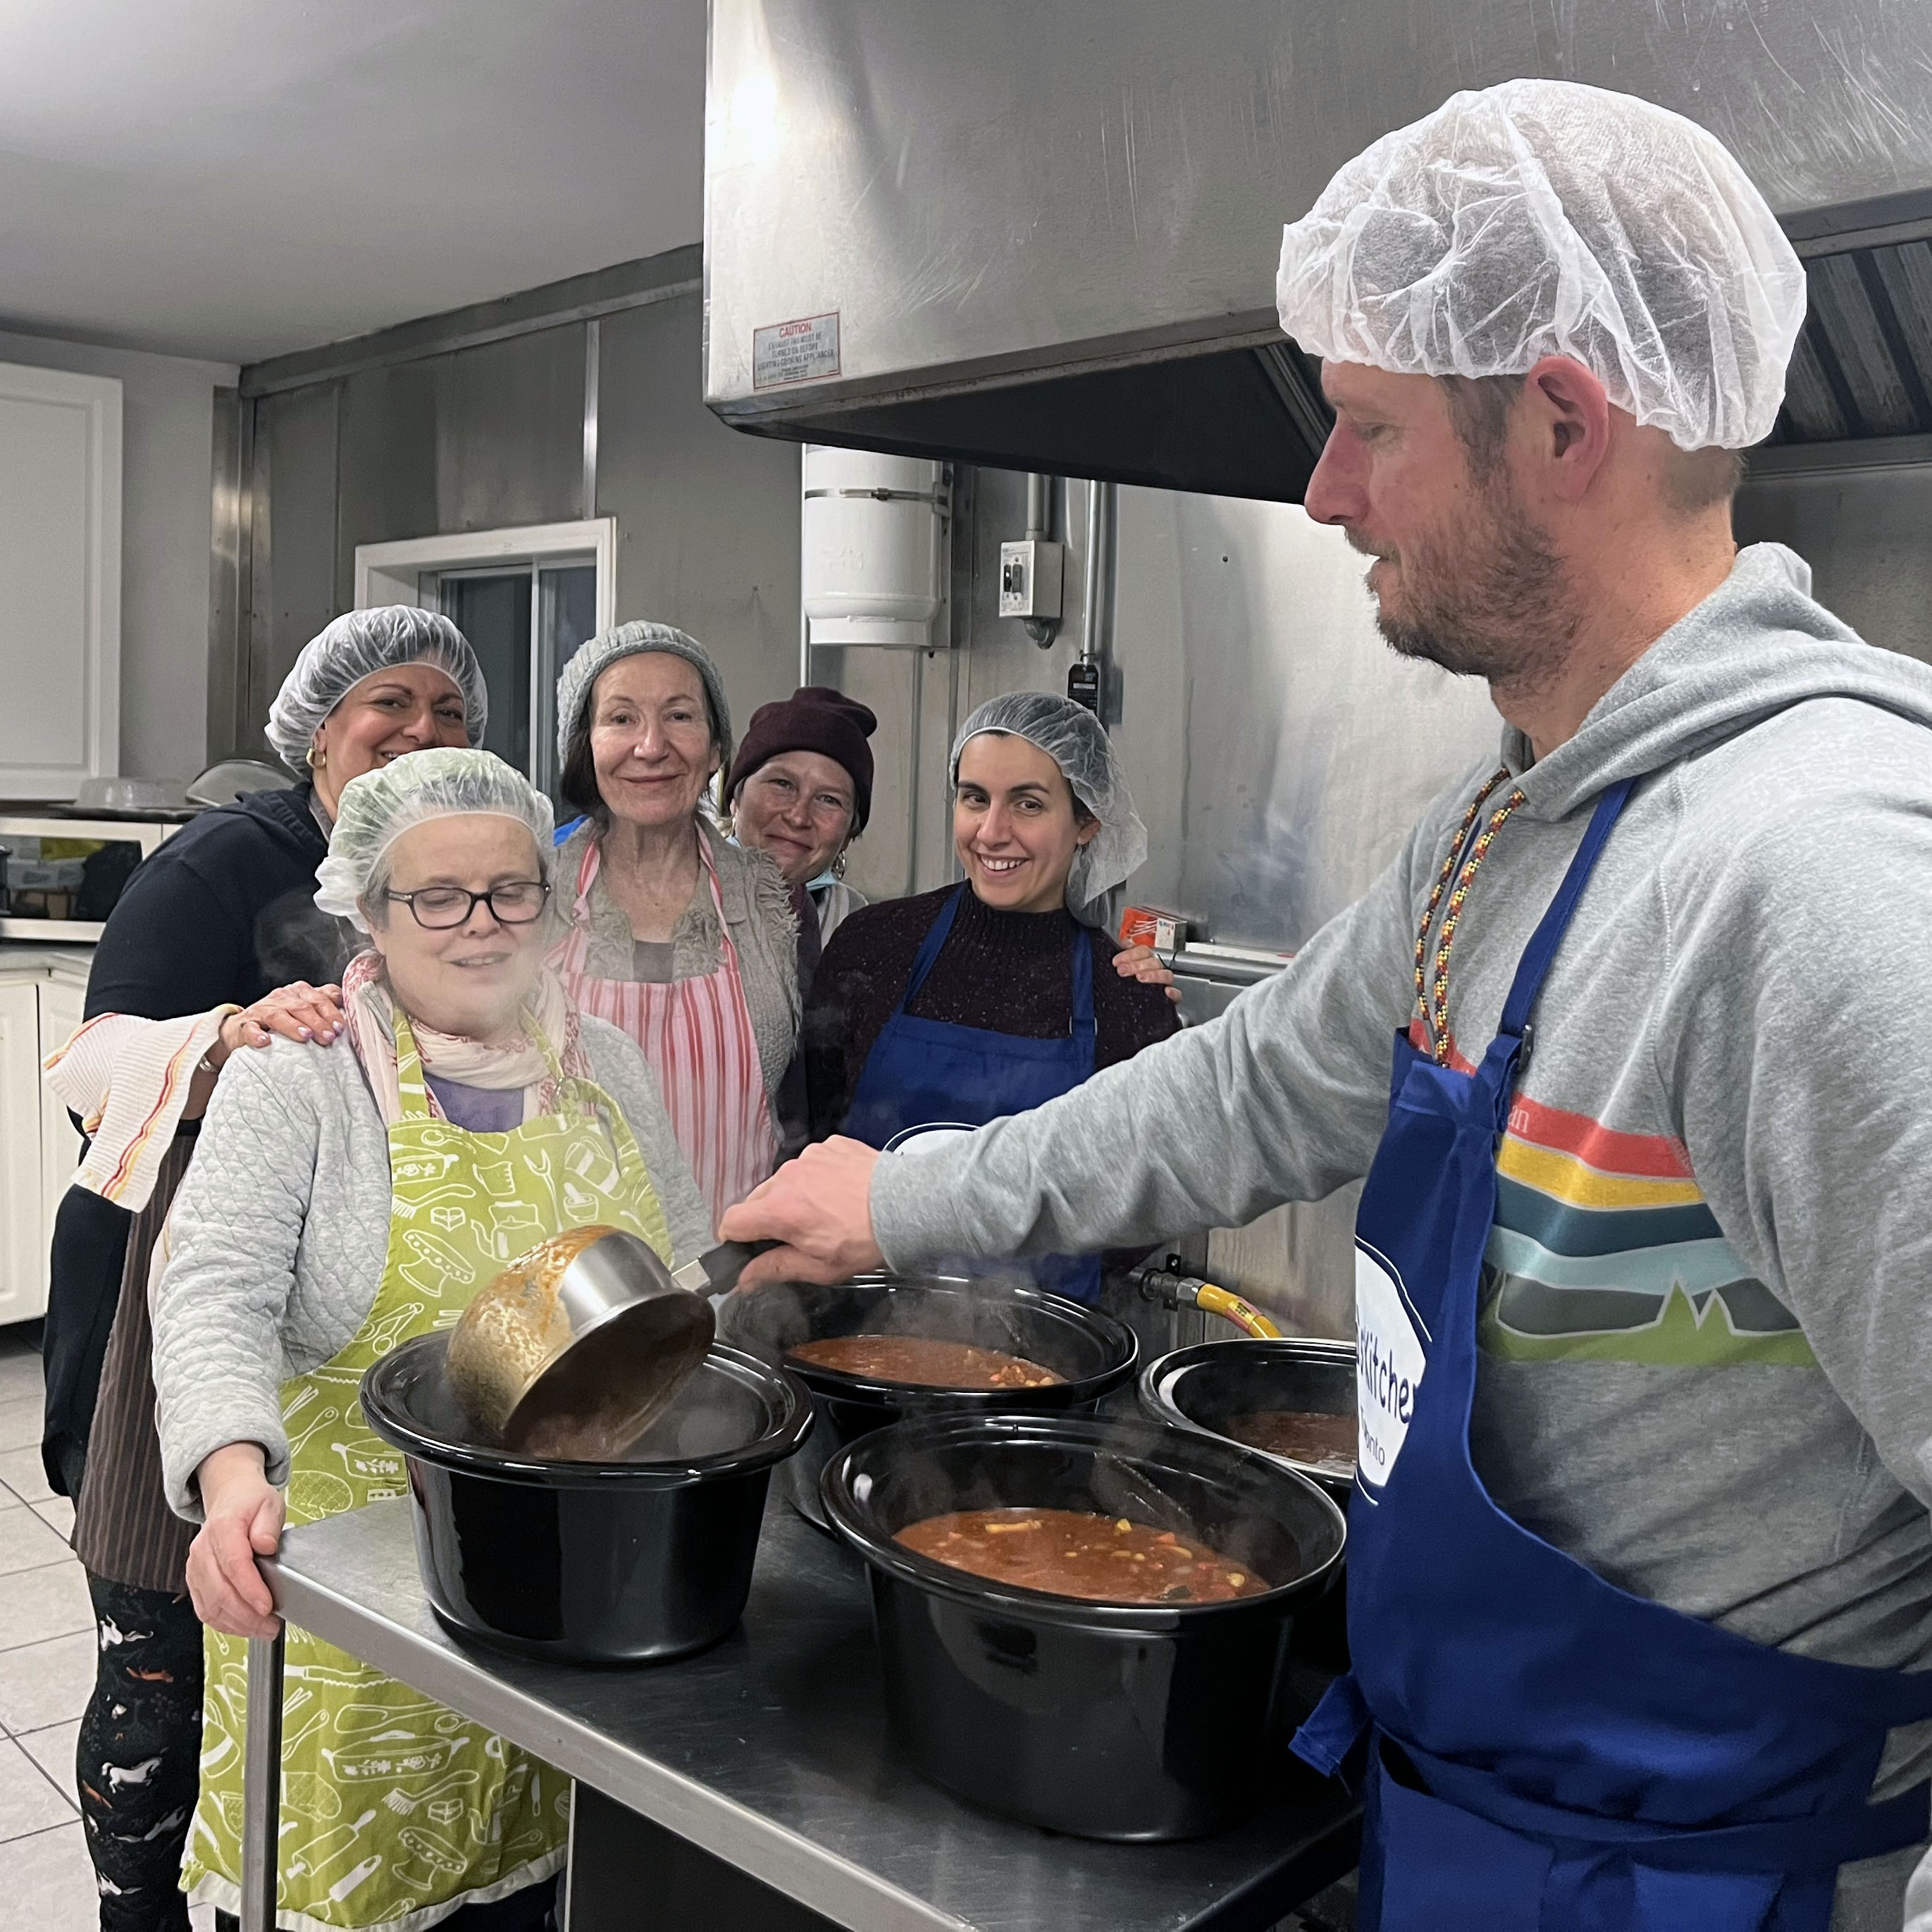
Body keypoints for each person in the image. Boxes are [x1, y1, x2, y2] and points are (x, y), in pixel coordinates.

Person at [724, 80, 1932, 1931]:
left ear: (1553, 418)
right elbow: (1242, 1095)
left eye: (1366, 423)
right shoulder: (1507, 819)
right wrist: (883, 1198)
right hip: (1469, 1806)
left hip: (1716, 1871)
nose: (1320, 487)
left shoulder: (1821, 880)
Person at [150, 748, 710, 1931]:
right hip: (355, 1616)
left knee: (547, 1887)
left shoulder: (604, 1068)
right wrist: (231, 1473)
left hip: (568, 1605)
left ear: (550, 903)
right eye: (435, 897)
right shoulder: (300, 1077)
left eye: (510, 890)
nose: (479, 925)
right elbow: (212, 1287)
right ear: (367, 906)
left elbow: (681, 1272)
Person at [39, 607, 484, 1932]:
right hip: (162, 1303)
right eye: (387, 707)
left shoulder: (443, 864)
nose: (419, 732)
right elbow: (89, 1065)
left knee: (268, 1659)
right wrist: (231, 1033)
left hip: (327, 1329)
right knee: (160, 1664)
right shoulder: (228, 861)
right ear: (319, 727)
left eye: (449, 713)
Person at [798, 693, 1177, 1304]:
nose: (992, 832)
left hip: (1038, 1366)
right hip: (848, 1339)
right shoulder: (875, 946)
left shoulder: (1127, 999)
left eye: (1028, 804)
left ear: (1086, 824)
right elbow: (812, 1128)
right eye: (975, 798)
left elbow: (1147, 1203)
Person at [548, 622, 796, 1227]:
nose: (652, 746)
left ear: (716, 749)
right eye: (621, 719)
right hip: (565, 1278)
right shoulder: (528, 894)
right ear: (586, 746)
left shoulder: (768, 900)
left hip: (732, 1274)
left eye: (680, 717)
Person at [724, 683, 877, 951]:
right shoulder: (672, 898)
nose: (798, 817)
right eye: (782, 784)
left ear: (848, 836)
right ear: (736, 801)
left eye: (829, 799)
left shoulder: (859, 928)